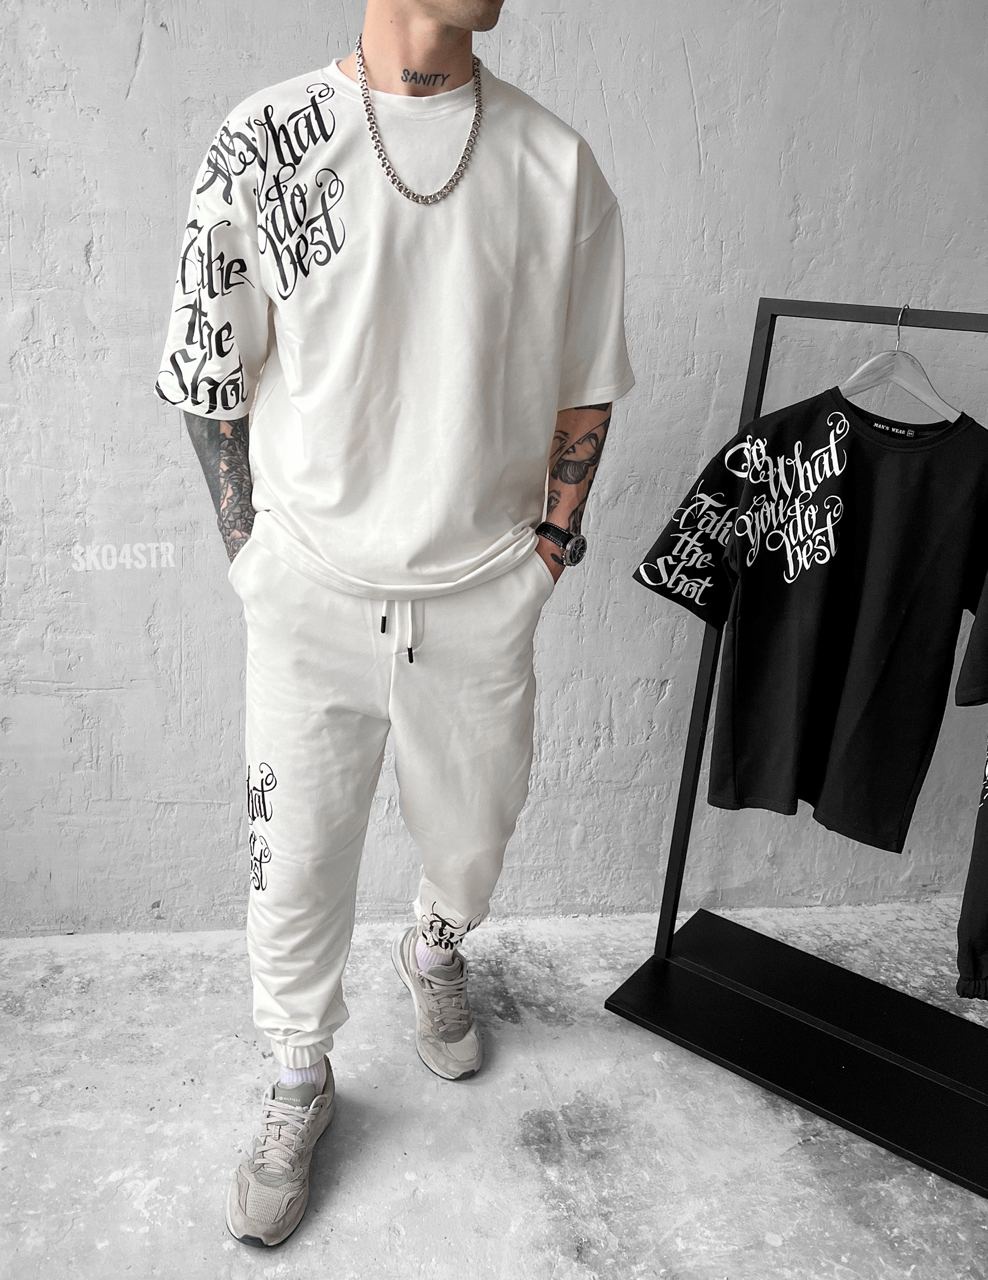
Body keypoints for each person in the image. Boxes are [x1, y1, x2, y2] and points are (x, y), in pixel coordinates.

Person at [153, 0, 635, 1249]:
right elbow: (210, 371)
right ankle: (297, 1071)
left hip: (483, 585)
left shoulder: (554, 163)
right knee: (295, 857)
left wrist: (548, 551)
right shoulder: (263, 142)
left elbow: (587, 381)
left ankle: (433, 945)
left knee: (473, 832)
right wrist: (250, 556)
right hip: (308, 586)